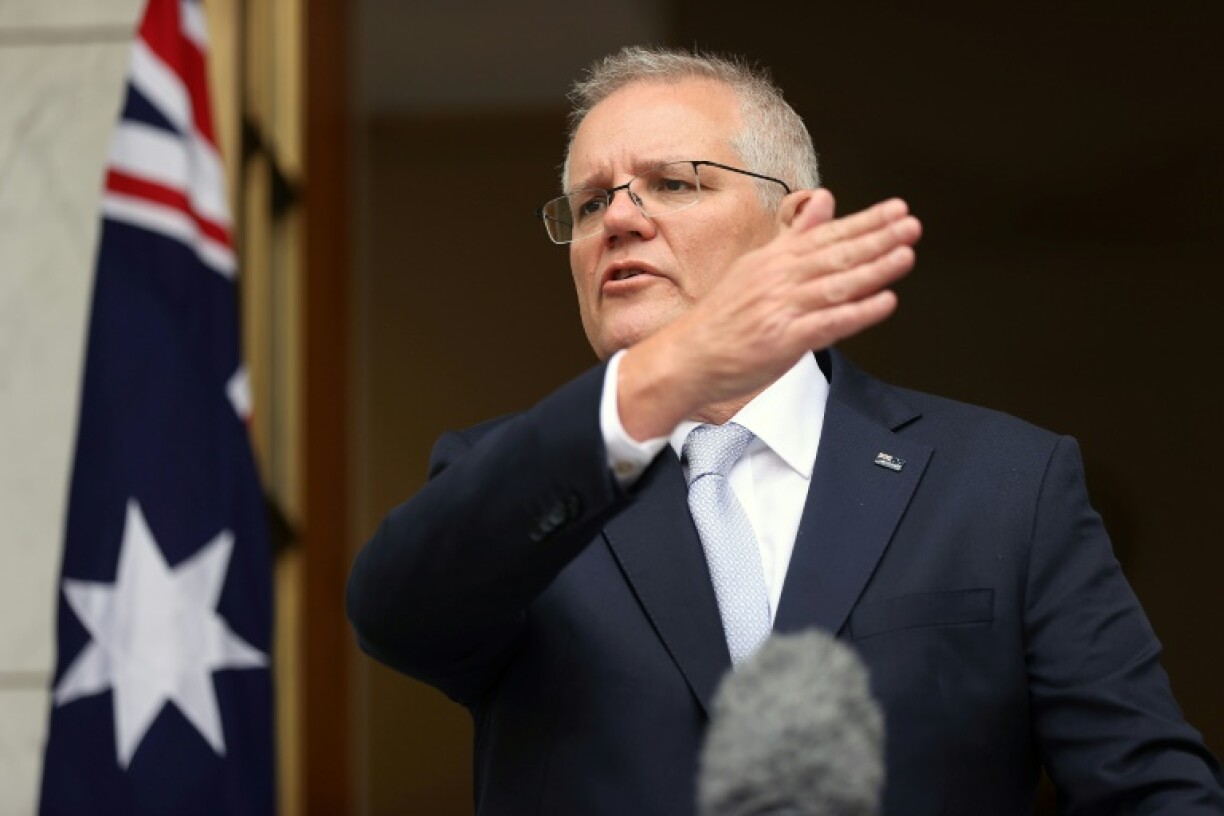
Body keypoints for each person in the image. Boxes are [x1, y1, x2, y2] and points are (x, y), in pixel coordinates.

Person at [346, 46, 1223, 815]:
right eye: (586, 206)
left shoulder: (1004, 484)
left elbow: (1147, 790)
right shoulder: (511, 479)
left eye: (672, 183)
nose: (616, 218)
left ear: (796, 224)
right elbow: (396, 612)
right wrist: (657, 382)